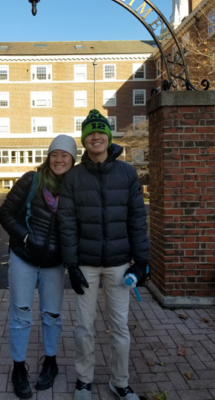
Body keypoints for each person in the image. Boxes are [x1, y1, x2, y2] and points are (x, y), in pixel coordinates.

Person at [57, 110, 149, 400]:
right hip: (85, 264)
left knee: (119, 327)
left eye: (100, 132)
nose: (95, 137)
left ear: (108, 137)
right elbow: (67, 223)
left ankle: (119, 382)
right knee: (84, 326)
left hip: (119, 265)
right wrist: (71, 265)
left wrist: (142, 260)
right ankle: (84, 380)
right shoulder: (73, 177)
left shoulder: (127, 173)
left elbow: (137, 218)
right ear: (84, 140)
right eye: (90, 133)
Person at [0, 135, 76, 399]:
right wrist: (26, 236)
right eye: (55, 154)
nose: (59, 159)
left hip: (55, 265)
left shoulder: (76, 186)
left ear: (73, 159)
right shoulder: (32, 180)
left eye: (65, 155)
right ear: (48, 156)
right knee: (20, 315)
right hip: (24, 259)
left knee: (52, 315)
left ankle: (50, 362)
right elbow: (5, 212)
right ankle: (18, 368)